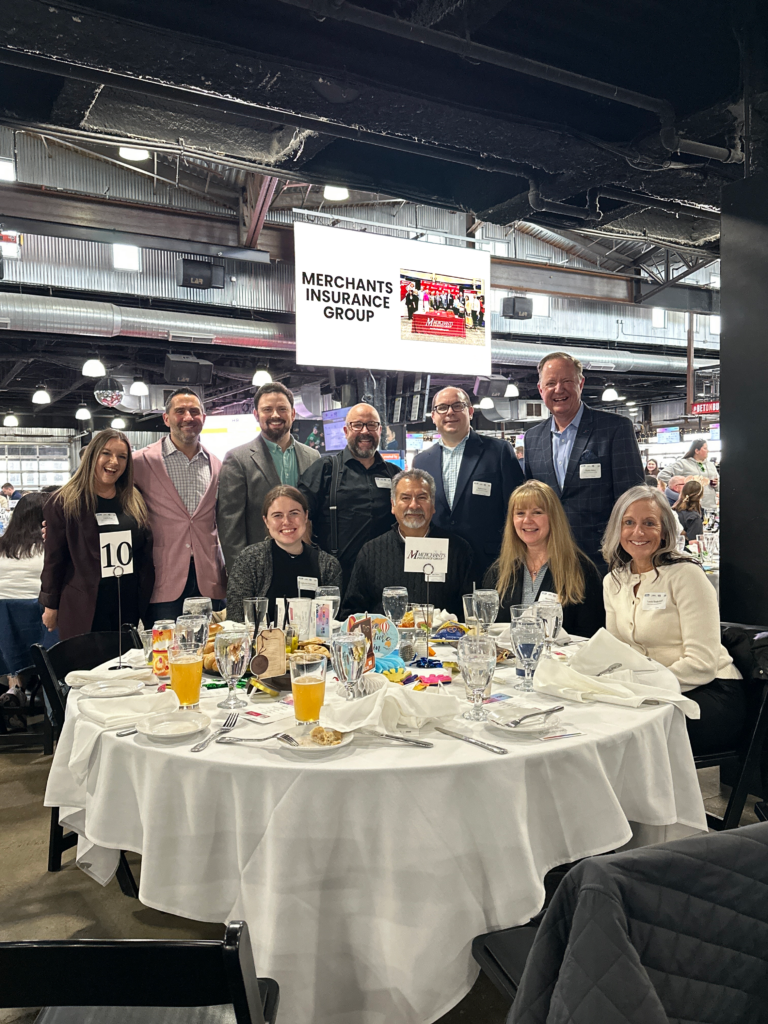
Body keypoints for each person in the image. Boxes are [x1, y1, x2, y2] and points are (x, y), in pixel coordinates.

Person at [601, 485, 743, 755]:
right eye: (628, 522)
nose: (638, 532)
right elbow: (618, 653)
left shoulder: (686, 576)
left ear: (665, 530)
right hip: (651, 693)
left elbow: (702, 665)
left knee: (624, 736)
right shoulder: (613, 581)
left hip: (709, 692)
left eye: (649, 523)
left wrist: (638, 687)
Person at [523, 351, 645, 570]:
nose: (558, 389)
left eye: (567, 381)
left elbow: (633, 499)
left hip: (602, 557)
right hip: (550, 558)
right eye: (550, 383)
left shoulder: (615, 428)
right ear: (541, 390)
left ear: (581, 383)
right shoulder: (532, 437)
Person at [40, 430, 154, 640]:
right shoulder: (64, 501)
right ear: (92, 455)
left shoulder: (134, 499)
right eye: (106, 453)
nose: (114, 462)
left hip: (126, 605)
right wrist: (50, 604)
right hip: (84, 605)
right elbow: (54, 559)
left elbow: (143, 553)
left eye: (122, 456)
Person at [132, 389, 225, 623]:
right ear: (166, 418)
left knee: (212, 651)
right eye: (180, 411)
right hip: (164, 580)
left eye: (195, 411)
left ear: (203, 418)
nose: (188, 417)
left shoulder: (217, 465)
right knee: (167, 653)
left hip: (209, 579)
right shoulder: (140, 462)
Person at [413, 386, 524, 581]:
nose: (450, 412)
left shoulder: (498, 451)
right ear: (433, 416)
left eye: (457, 405)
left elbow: (517, 508)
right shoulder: (421, 462)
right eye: (442, 407)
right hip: (438, 563)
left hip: (489, 562)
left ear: (470, 412)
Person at [341, 468, 474, 619]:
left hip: (443, 640)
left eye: (422, 497)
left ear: (433, 505)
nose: (414, 505)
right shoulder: (371, 552)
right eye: (405, 498)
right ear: (393, 504)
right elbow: (351, 613)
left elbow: (471, 615)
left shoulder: (458, 550)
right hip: (386, 640)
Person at [217, 382, 320, 572]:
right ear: (256, 415)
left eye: (282, 409)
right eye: (267, 409)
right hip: (260, 569)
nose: (275, 415)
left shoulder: (313, 457)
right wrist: (240, 576)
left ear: (293, 414)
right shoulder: (238, 460)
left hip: (306, 564)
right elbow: (230, 527)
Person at [483, 480, 604, 637]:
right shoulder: (499, 571)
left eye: (537, 512)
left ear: (553, 518)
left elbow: (590, 635)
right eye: (520, 513)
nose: (527, 520)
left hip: (561, 660)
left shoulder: (581, 570)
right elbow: (490, 631)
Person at [298, 403, 399, 588]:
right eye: (357, 425)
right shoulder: (325, 469)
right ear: (346, 430)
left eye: (372, 425)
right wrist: (311, 559)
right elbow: (299, 514)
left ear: (380, 430)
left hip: (384, 576)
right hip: (337, 577)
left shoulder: (395, 475)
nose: (365, 431)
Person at [226, 486, 342, 626]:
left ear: (305, 516)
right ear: (266, 521)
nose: (286, 521)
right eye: (277, 515)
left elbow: (328, 626)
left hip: (313, 646)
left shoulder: (329, 566)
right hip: (260, 646)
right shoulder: (249, 560)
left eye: (294, 513)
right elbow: (236, 622)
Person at [0, 492, 58, 693]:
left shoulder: (2, 546)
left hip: (5, 626)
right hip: (45, 621)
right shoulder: (50, 549)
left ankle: (15, 687)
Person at [658, 439, 719, 510]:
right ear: (697, 451)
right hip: (690, 507)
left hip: (710, 507)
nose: (708, 451)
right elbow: (662, 475)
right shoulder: (682, 464)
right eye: (705, 448)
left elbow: (718, 486)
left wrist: (716, 484)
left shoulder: (711, 465)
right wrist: (680, 485)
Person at [673, 479, 705, 544]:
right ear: (700, 496)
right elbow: (694, 544)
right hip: (686, 551)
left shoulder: (673, 511)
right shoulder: (694, 517)